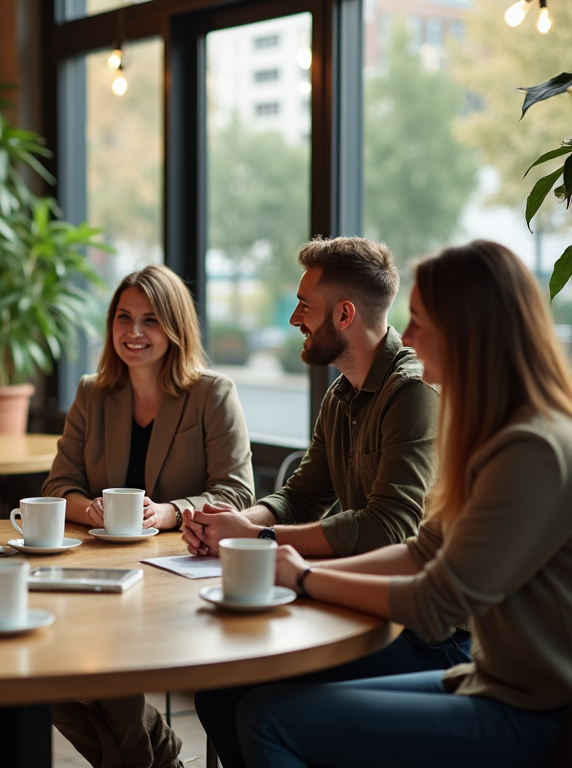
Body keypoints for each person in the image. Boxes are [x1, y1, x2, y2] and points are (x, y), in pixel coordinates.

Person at [235, 240, 572, 766]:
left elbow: (438, 604)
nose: (407, 338)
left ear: (469, 332)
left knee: (267, 717)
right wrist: (290, 564)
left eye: (418, 321)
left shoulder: (532, 447)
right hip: (486, 681)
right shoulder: (492, 430)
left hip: (538, 712)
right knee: (250, 700)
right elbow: (422, 549)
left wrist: (302, 576)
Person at [189, 236, 469, 767]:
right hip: (367, 607)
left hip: (432, 636)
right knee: (222, 692)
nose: (295, 317)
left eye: (304, 305)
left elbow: (390, 529)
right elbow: (302, 493)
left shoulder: (412, 395)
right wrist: (234, 521)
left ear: (344, 314)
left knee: (240, 698)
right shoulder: (340, 394)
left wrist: (260, 540)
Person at [43, 263, 255, 768]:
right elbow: (58, 486)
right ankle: (161, 762)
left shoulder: (212, 392)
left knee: (94, 660)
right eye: (123, 318)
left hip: (180, 577)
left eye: (151, 320)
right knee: (45, 669)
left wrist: (165, 513)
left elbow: (238, 493)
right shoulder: (93, 393)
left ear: (175, 327)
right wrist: (88, 507)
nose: (133, 333)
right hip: (101, 570)